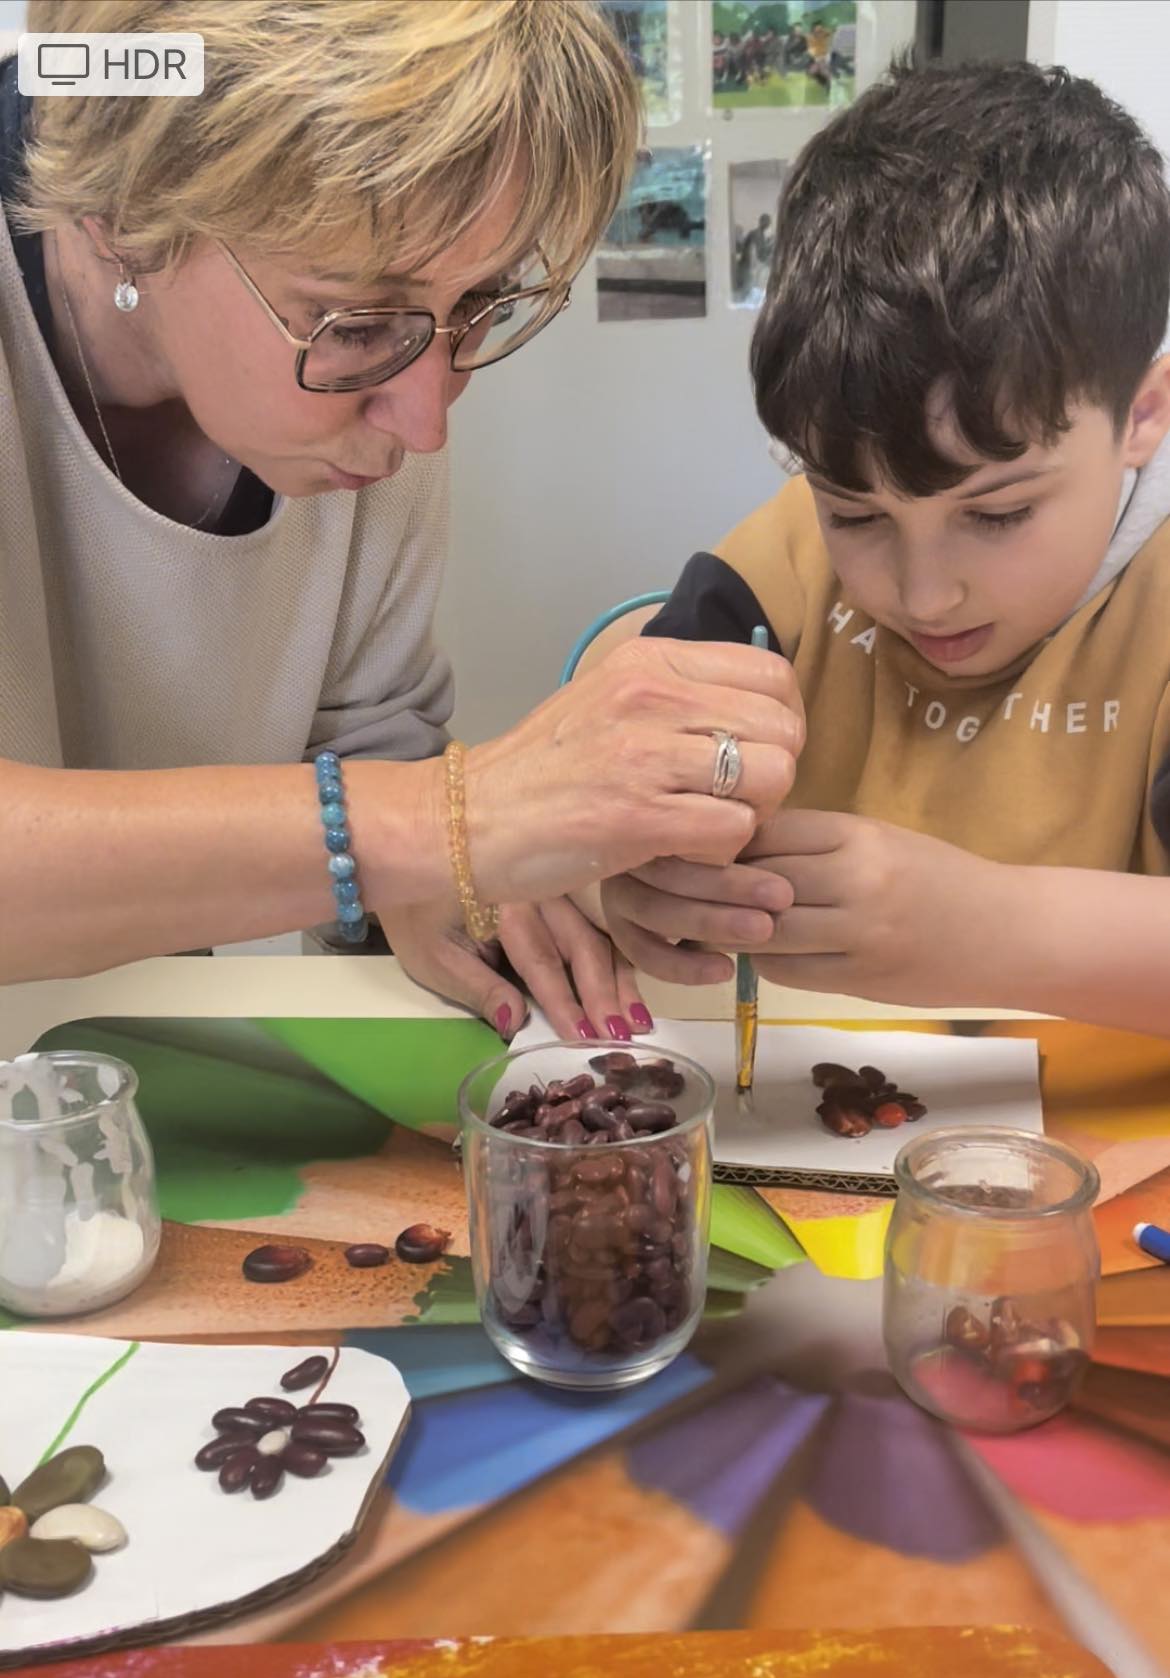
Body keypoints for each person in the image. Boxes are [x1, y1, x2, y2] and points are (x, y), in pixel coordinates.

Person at [0, 0, 804, 1043]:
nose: (425, 422)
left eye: (480, 303)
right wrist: (443, 822)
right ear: (121, 214)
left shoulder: (387, 381)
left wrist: (438, 875)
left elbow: (368, 735)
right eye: (357, 322)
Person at [585, 59, 1170, 1038]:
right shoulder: (776, 571)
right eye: (854, 513)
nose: (924, 593)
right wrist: (615, 866)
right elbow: (607, 754)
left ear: (1143, 415)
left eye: (996, 515)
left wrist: (999, 929)